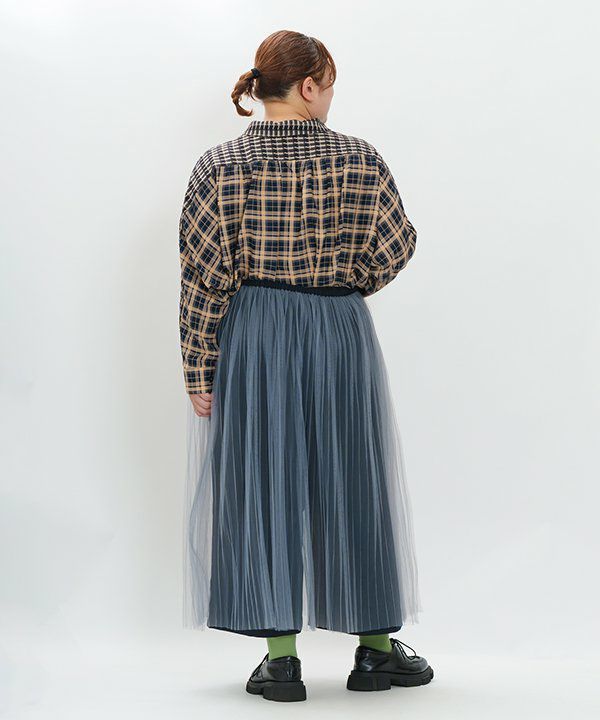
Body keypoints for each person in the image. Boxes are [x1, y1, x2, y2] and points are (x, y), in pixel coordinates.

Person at [178, 29, 433, 702]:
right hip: (338, 326)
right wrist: (347, 284)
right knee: (355, 478)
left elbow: (203, 277)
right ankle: (375, 653)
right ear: (310, 85)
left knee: (263, 481)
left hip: (257, 331)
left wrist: (199, 368)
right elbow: (397, 245)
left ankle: (281, 663)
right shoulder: (359, 158)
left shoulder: (219, 165)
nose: (332, 97)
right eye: (331, 85)